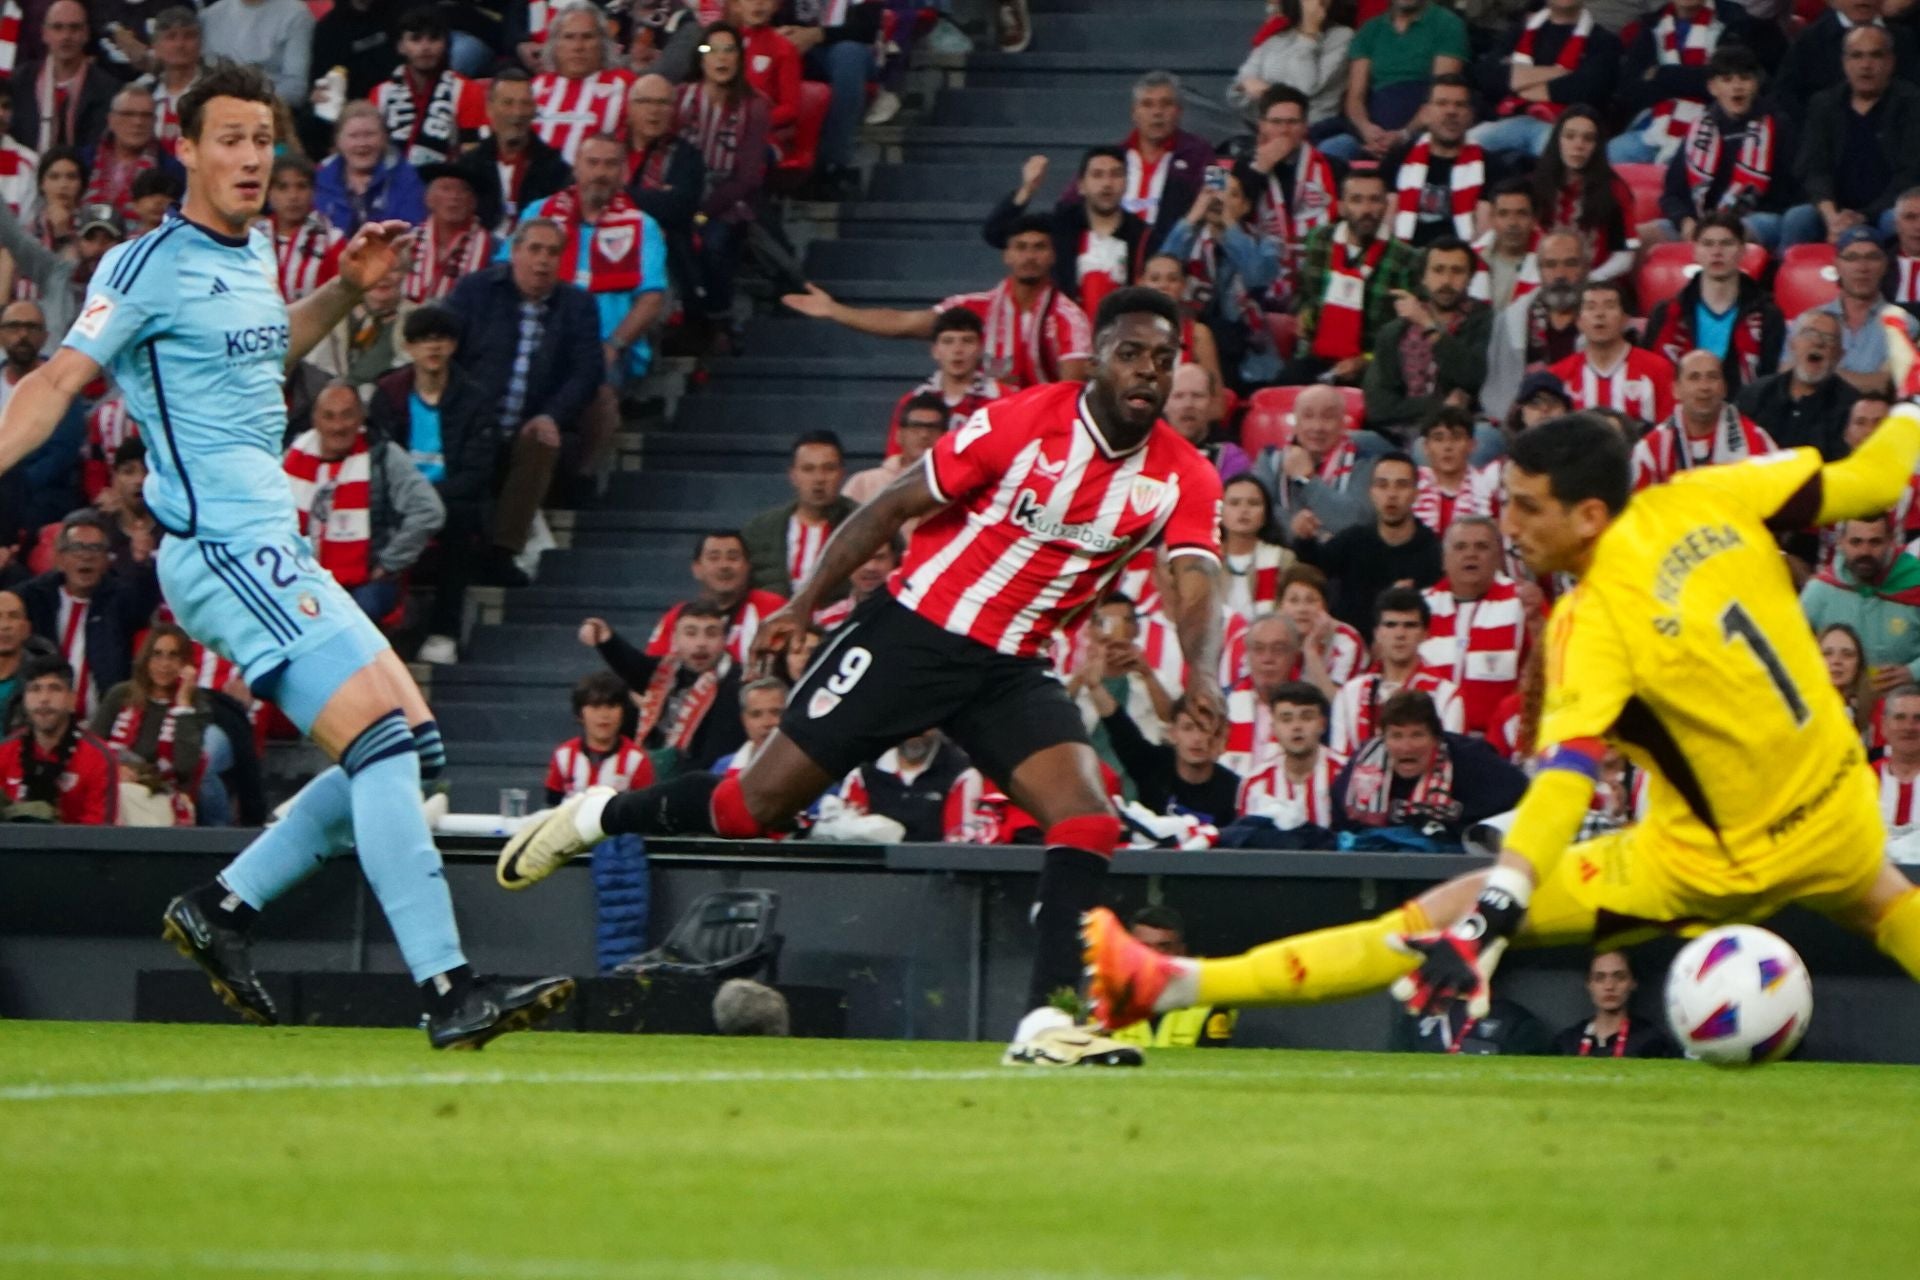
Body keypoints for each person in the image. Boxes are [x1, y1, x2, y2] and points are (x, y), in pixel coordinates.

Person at [498, 288, 1228, 1070]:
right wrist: (809, 602)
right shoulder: (1021, 422)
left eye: (1162, 358)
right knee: (752, 809)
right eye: (1130, 354)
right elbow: (889, 510)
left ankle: (1049, 1023)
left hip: (1011, 667)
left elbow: (1194, 579)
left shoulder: (1185, 474)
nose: (1147, 372)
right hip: (911, 634)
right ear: (1097, 358)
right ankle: (600, 816)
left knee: (1088, 821)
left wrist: (1206, 674)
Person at [0, 61, 573, 1046]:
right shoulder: (142, 265)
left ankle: (225, 907)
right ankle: (448, 989)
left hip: (277, 542)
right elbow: (60, 379)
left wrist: (342, 291)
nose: (250, 157)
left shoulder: (253, 248)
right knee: (381, 747)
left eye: (262, 139)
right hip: (221, 548)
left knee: (416, 749)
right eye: (228, 137)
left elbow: (263, 352)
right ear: (183, 149)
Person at [1086, 410, 1920, 1052]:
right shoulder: (1710, 494)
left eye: (1527, 508)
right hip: (1837, 814)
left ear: (1589, 514)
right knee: (1893, 908)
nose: (1510, 525)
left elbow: (1562, 781)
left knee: (1436, 913)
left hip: (1705, 861)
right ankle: (1165, 985)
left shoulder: (1592, 620)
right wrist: (1909, 389)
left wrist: (1491, 914)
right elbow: (1879, 473)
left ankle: (1168, 984)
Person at [443, 217, 606, 587]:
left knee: (541, 441)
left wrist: (552, 414)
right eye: (534, 249)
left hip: (531, 423)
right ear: (515, 253)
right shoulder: (475, 290)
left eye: (552, 252)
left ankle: (503, 551)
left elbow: (587, 372)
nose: (542, 260)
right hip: (471, 419)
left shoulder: (578, 305)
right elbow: (447, 351)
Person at [784, 217, 1093, 389]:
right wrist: (835, 310)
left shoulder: (1069, 318)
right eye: (1021, 247)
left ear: (1052, 256)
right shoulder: (973, 307)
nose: (1029, 256)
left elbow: (1069, 393)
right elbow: (903, 324)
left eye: (1039, 248)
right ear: (1007, 255)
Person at [365, 306, 494, 665]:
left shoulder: (474, 398)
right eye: (423, 340)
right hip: (394, 498)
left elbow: (477, 471)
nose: (433, 348)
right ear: (408, 347)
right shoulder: (388, 393)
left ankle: (444, 631)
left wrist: (427, 500)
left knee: (459, 520)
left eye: (441, 339)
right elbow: (375, 458)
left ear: (453, 345)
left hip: (451, 498)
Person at [283, 383, 446, 625]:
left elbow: (430, 511)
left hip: (366, 581)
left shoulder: (383, 455)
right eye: (329, 417)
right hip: (303, 579)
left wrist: (389, 563)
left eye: (347, 415)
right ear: (315, 420)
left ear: (361, 416)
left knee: (344, 621)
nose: (338, 426)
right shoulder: (292, 458)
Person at [517, 133, 668, 393]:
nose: (601, 173)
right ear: (576, 166)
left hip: (605, 347)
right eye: (593, 163)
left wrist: (614, 346)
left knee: (592, 383)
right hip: (536, 340)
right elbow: (509, 274)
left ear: (623, 172)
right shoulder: (538, 214)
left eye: (610, 165)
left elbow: (652, 299)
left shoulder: (644, 226)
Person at [675, 23, 771, 349]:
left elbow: (746, 177)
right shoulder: (679, 98)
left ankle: (719, 319)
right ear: (699, 58)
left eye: (729, 50)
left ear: (740, 58)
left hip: (728, 197)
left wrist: (702, 212)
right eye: (711, 50)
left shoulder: (755, 105)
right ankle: (685, 321)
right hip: (681, 192)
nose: (721, 58)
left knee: (713, 243)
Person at [1330, 688, 1527, 844]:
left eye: (1417, 735)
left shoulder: (1472, 760)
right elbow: (1342, 824)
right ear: (1383, 738)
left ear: (1436, 738)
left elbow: (1524, 793)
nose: (1406, 747)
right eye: (1396, 736)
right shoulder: (1363, 765)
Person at [1787, 25, 1920, 247]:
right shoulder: (1824, 104)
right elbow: (1813, 168)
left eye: (1875, 55)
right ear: (1845, 62)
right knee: (1797, 219)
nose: (1866, 65)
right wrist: (1832, 218)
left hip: (1888, 209)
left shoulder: (1912, 103)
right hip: (1835, 213)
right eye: (1856, 56)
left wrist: (1864, 216)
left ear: (1890, 61)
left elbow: (1911, 174)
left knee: (1896, 222)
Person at [18, 509, 160, 716]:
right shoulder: (35, 597)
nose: (86, 556)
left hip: (103, 720)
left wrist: (143, 564)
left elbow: (144, 601)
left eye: (95, 548)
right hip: (42, 717)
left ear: (106, 559)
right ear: (60, 557)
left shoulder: (121, 599)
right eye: (77, 547)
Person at [577, 603, 746, 771]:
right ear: (675, 639)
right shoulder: (667, 670)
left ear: (724, 639)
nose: (701, 643)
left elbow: (715, 757)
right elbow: (633, 666)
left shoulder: (737, 684)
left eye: (711, 634)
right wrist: (605, 639)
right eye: (691, 633)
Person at [985, 149, 1150, 321]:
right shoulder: (1059, 225)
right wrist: (1027, 190)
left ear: (1126, 183)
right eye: (1097, 175)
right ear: (1081, 185)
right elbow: (995, 233)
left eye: (1115, 174)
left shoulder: (1143, 235)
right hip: (1059, 329)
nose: (1107, 183)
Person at [1289, 167, 1418, 384]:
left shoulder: (1406, 258)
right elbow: (1304, 295)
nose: (1366, 209)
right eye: (1356, 200)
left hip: (1374, 365)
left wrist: (1366, 362)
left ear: (1386, 205)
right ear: (1341, 207)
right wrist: (1303, 314)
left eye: (1374, 200)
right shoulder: (1319, 240)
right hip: (1316, 356)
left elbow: (1407, 334)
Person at [1159, 166, 1282, 388]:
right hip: (1191, 345)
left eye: (1231, 194)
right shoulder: (1188, 238)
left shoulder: (1265, 244)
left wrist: (1229, 227)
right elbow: (1161, 272)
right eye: (1214, 191)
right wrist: (1193, 216)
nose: (1219, 199)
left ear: (1246, 206)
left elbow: (1257, 276)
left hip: (1248, 352)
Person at [1360, 237, 1489, 443]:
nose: (1446, 281)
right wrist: (1440, 405)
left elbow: (1474, 377)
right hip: (1397, 434)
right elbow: (1378, 406)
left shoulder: (1485, 321)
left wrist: (1430, 328)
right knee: (1356, 441)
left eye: (1457, 271)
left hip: (1460, 433)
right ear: (1423, 277)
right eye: (1438, 270)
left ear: (1470, 278)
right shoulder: (1394, 331)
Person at [1295, 452, 1443, 630]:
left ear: (1416, 493)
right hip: (1350, 648)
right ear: (1371, 492)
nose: (1391, 494)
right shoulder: (1353, 540)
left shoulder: (1433, 551)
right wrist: (1304, 539)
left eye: (1402, 485)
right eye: (1382, 485)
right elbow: (1313, 569)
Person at [91, 622, 219, 827]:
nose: (165, 664)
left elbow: (185, 768)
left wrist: (183, 703)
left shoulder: (196, 705)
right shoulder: (121, 694)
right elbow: (92, 749)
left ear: (185, 663)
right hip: (114, 786)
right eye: (157, 654)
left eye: (173, 656)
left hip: (163, 794)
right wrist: (116, 769)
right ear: (146, 659)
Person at [1656, 44, 1783, 252]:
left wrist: (1725, 223)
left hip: (1756, 218)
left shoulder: (1777, 125)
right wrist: (1685, 222)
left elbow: (1790, 194)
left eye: (1744, 79)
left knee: (1723, 239)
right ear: (1712, 87)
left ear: (1756, 84)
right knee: (1646, 235)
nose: (1737, 87)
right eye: (1727, 80)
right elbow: (1672, 194)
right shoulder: (1698, 129)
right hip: (1701, 221)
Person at [1642, 213, 1783, 394]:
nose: (1717, 252)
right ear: (1695, 251)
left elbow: (1771, 383)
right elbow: (1650, 376)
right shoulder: (1665, 313)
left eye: (1726, 244)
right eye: (1708, 244)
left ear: (1742, 251)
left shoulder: (1768, 315)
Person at [1469, 0, 1623, 163]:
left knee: (1561, 160)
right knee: (1463, 146)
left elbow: (1587, 90)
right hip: (1508, 120)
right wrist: (1559, 74)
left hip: (1563, 129)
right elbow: (1486, 76)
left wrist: (1517, 81)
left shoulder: (1604, 41)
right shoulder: (1519, 31)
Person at [1418, 517, 1530, 738]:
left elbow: (1543, 671)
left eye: (1482, 547)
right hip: (1429, 743)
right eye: (1460, 547)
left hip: (1497, 745)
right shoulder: (1422, 606)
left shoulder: (1522, 602)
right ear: (1444, 559)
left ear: (1498, 557)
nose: (1471, 554)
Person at [1330, 0, 1471, 164]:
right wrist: (1366, 129)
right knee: (1333, 148)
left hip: (1422, 129)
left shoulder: (1447, 24)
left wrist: (1404, 134)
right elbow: (1355, 97)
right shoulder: (1370, 30)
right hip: (1371, 128)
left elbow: (1443, 94)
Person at [1241, 85, 1337, 314]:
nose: (1284, 130)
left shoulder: (1333, 166)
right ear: (1261, 125)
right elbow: (1225, 212)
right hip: (1258, 269)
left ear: (1305, 126)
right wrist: (1259, 169)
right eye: (1276, 122)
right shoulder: (1239, 164)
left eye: (1292, 122)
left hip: (1318, 267)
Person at [1608, 0, 1735, 168]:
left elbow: (1726, 82)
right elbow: (1630, 90)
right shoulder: (1651, 26)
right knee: (1613, 153)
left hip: (1710, 130)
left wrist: (1662, 74)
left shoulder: (1731, 22)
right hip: (1651, 129)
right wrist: (1694, 80)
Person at [1631, 348, 1778, 489]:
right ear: (1676, 390)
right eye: (1694, 377)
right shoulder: (1651, 450)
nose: (1704, 387)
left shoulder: (1757, 441)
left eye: (1712, 377)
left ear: (1724, 388)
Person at [1801, 514, 1920, 686]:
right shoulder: (1819, 591)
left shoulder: (1914, 583)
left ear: (1890, 541)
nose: (1865, 552)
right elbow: (1789, 649)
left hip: (1901, 705)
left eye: (1875, 542)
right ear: (1840, 542)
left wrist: (1913, 672)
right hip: (1834, 704)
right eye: (1856, 542)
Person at [641, 531, 793, 666]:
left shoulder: (775, 609)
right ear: (696, 569)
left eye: (733, 558)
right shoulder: (677, 617)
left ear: (748, 566)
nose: (724, 566)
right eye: (714, 558)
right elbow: (651, 672)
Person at [1100, 70, 1213, 249]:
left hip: (1176, 257)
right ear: (1134, 113)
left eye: (1166, 104)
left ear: (1179, 111)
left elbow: (1220, 194)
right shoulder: (1112, 156)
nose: (1157, 112)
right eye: (1147, 104)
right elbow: (1070, 201)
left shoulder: (1203, 151)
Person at [1482, 229, 1586, 422]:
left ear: (1585, 268)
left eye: (1570, 264)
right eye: (1551, 265)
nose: (1560, 274)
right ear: (1539, 270)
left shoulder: (1603, 314)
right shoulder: (1512, 318)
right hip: (1525, 423)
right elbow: (1500, 390)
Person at [0, 652, 115, 823]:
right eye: (35, 689)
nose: (44, 699)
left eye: (54, 688)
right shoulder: (4, 752)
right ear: (24, 700)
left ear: (72, 700)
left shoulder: (98, 757)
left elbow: (100, 837)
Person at [741, 430, 856, 599]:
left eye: (829, 468)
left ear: (842, 474)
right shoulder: (760, 530)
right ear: (793, 475)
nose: (819, 479)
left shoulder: (864, 522)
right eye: (808, 469)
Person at [372, 7, 490, 170]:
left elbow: (473, 155)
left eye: (434, 38)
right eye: (416, 39)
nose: (425, 47)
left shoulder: (467, 90)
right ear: (400, 46)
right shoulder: (380, 94)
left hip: (446, 184)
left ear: (446, 43)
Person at [0, 299, 84, 526]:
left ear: (45, 337)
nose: (23, 335)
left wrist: (14, 487)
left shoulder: (64, 384)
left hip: (40, 498)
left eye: (31, 327)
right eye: (14, 327)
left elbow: (62, 451)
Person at [458, 69, 571, 236]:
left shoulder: (556, 169)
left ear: (534, 110)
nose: (517, 113)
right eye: (508, 103)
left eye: (525, 104)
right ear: (489, 109)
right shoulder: (468, 167)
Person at [1106, 906, 1237, 1049]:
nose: (1153, 956)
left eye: (1164, 947)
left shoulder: (1211, 997)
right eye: (1143, 947)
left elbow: (1216, 1060)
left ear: (1182, 951)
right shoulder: (1104, 996)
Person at [622, 73, 702, 303]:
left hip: (664, 252)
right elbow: (585, 193)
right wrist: (654, 198)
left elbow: (677, 207)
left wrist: (619, 194)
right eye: (645, 102)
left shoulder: (686, 155)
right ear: (629, 108)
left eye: (663, 103)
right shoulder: (607, 149)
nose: (654, 110)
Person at [0, 195, 122, 347]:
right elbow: (14, 237)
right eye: (90, 238)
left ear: (122, 245)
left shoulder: (131, 288)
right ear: (77, 240)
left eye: (107, 240)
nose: (98, 247)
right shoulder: (55, 273)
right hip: (47, 366)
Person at [1530, 107, 1635, 282]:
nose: (1578, 145)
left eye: (1588, 139)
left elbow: (1627, 254)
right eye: (1570, 136)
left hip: (1595, 286)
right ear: (1557, 140)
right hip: (1539, 282)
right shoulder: (1534, 185)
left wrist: (1591, 280)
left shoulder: (1616, 189)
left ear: (1598, 146)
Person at [1549, 281, 1677, 425]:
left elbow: (1668, 432)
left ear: (1625, 319)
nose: (1600, 314)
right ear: (1578, 321)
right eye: (1591, 307)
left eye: (1609, 306)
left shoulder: (1658, 370)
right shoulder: (1558, 376)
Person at [1813, 227, 1920, 395]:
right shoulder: (1811, 320)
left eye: (1872, 257)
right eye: (1852, 258)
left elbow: (1883, 385)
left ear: (1885, 265)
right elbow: (1786, 375)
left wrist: (1819, 373)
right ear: (1837, 265)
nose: (1862, 267)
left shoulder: (1904, 324)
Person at [1737, 309, 1858, 457]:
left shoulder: (1851, 407)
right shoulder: (1755, 394)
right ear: (1791, 343)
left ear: (1840, 355)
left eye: (1829, 338)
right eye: (1809, 333)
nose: (1818, 342)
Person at [1383, 75, 1485, 250]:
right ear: (1425, 113)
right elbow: (1385, 221)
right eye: (1442, 103)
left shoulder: (1489, 165)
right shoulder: (1397, 159)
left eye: (1459, 105)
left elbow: (1485, 232)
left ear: (1470, 116)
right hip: (1403, 257)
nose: (1451, 111)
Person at [832, 729, 985, 843]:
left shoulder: (962, 773)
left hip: (932, 876)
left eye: (924, 725)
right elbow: (845, 835)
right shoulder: (863, 773)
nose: (915, 734)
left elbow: (960, 843)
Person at [531, 0, 636, 165]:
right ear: (554, 45)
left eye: (587, 37)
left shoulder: (626, 85)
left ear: (603, 43)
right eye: (569, 37)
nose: (578, 46)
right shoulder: (536, 87)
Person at [11, 1, 119, 153]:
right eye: (57, 27)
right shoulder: (19, 82)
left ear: (86, 34)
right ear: (44, 33)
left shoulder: (108, 89)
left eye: (74, 28)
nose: (66, 36)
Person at [1234, 679, 1343, 826]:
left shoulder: (1344, 775)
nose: (1296, 726)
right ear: (1273, 727)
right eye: (1286, 719)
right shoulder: (1254, 784)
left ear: (1322, 724)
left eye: (1306, 717)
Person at [1231, 0, 1353, 127]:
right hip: (1265, 128)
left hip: (1312, 129)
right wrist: (1244, 85)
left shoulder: (1342, 36)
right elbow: (1235, 92)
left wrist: (1309, 33)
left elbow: (1305, 88)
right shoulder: (1278, 36)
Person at [314, 102, 428, 235]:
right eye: (353, 136)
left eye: (369, 135)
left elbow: (410, 228)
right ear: (338, 141)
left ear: (384, 138)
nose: (362, 143)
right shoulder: (321, 179)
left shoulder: (406, 178)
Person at [81, 86, 184, 225]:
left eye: (146, 115)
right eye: (128, 114)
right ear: (111, 119)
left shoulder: (172, 170)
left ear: (154, 121)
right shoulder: (84, 160)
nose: (138, 122)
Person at [1551, 951, 1680, 1057]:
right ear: (1589, 984)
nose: (1609, 986)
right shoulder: (1568, 1042)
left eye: (1619, 977)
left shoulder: (1651, 1042)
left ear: (1633, 983)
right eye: (1599, 978)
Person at [402, 164, 491, 305]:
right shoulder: (406, 241)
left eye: (463, 190)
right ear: (428, 199)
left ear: (473, 203)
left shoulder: (493, 248)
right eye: (446, 189)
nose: (454, 197)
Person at [265, 156, 343, 302]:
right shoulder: (251, 239)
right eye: (282, 187)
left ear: (314, 192)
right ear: (268, 193)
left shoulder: (332, 242)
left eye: (302, 186)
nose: (293, 196)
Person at [846, 392, 944, 506]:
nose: (924, 434)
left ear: (945, 436)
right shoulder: (864, 483)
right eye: (916, 426)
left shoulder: (955, 486)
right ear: (898, 436)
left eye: (933, 428)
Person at [136, 5, 205, 155]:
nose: (180, 45)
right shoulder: (142, 91)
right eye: (171, 37)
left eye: (189, 36)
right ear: (155, 46)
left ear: (200, 44)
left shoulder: (214, 91)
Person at [1410, 407, 1487, 538]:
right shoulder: (1410, 484)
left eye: (1456, 438)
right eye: (1438, 439)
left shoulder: (1487, 487)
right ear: (1426, 447)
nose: (1447, 446)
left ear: (1471, 445)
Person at [1163, 363, 1247, 480]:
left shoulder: (1228, 457)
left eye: (1197, 396)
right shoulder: (1146, 451)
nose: (1188, 404)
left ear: (1212, 403)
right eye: (1178, 396)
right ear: (1164, 404)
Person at [1473, 179, 1540, 312]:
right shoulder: (1471, 258)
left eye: (1521, 214)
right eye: (1503, 214)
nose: (1512, 223)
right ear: (1492, 218)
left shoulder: (1550, 261)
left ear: (1534, 219)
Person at [1820, 621, 1879, 745]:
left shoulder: (1876, 711)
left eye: (1847, 655)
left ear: (1859, 664)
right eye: (1827, 654)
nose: (1836, 661)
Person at [714, 675, 786, 776]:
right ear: (744, 720)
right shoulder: (723, 768)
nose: (767, 723)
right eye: (756, 715)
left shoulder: (809, 765)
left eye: (776, 712)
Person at [1874, 684, 1920, 838]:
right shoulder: (1864, 779)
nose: (1909, 727)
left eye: (1918, 718)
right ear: (1884, 726)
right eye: (1900, 717)